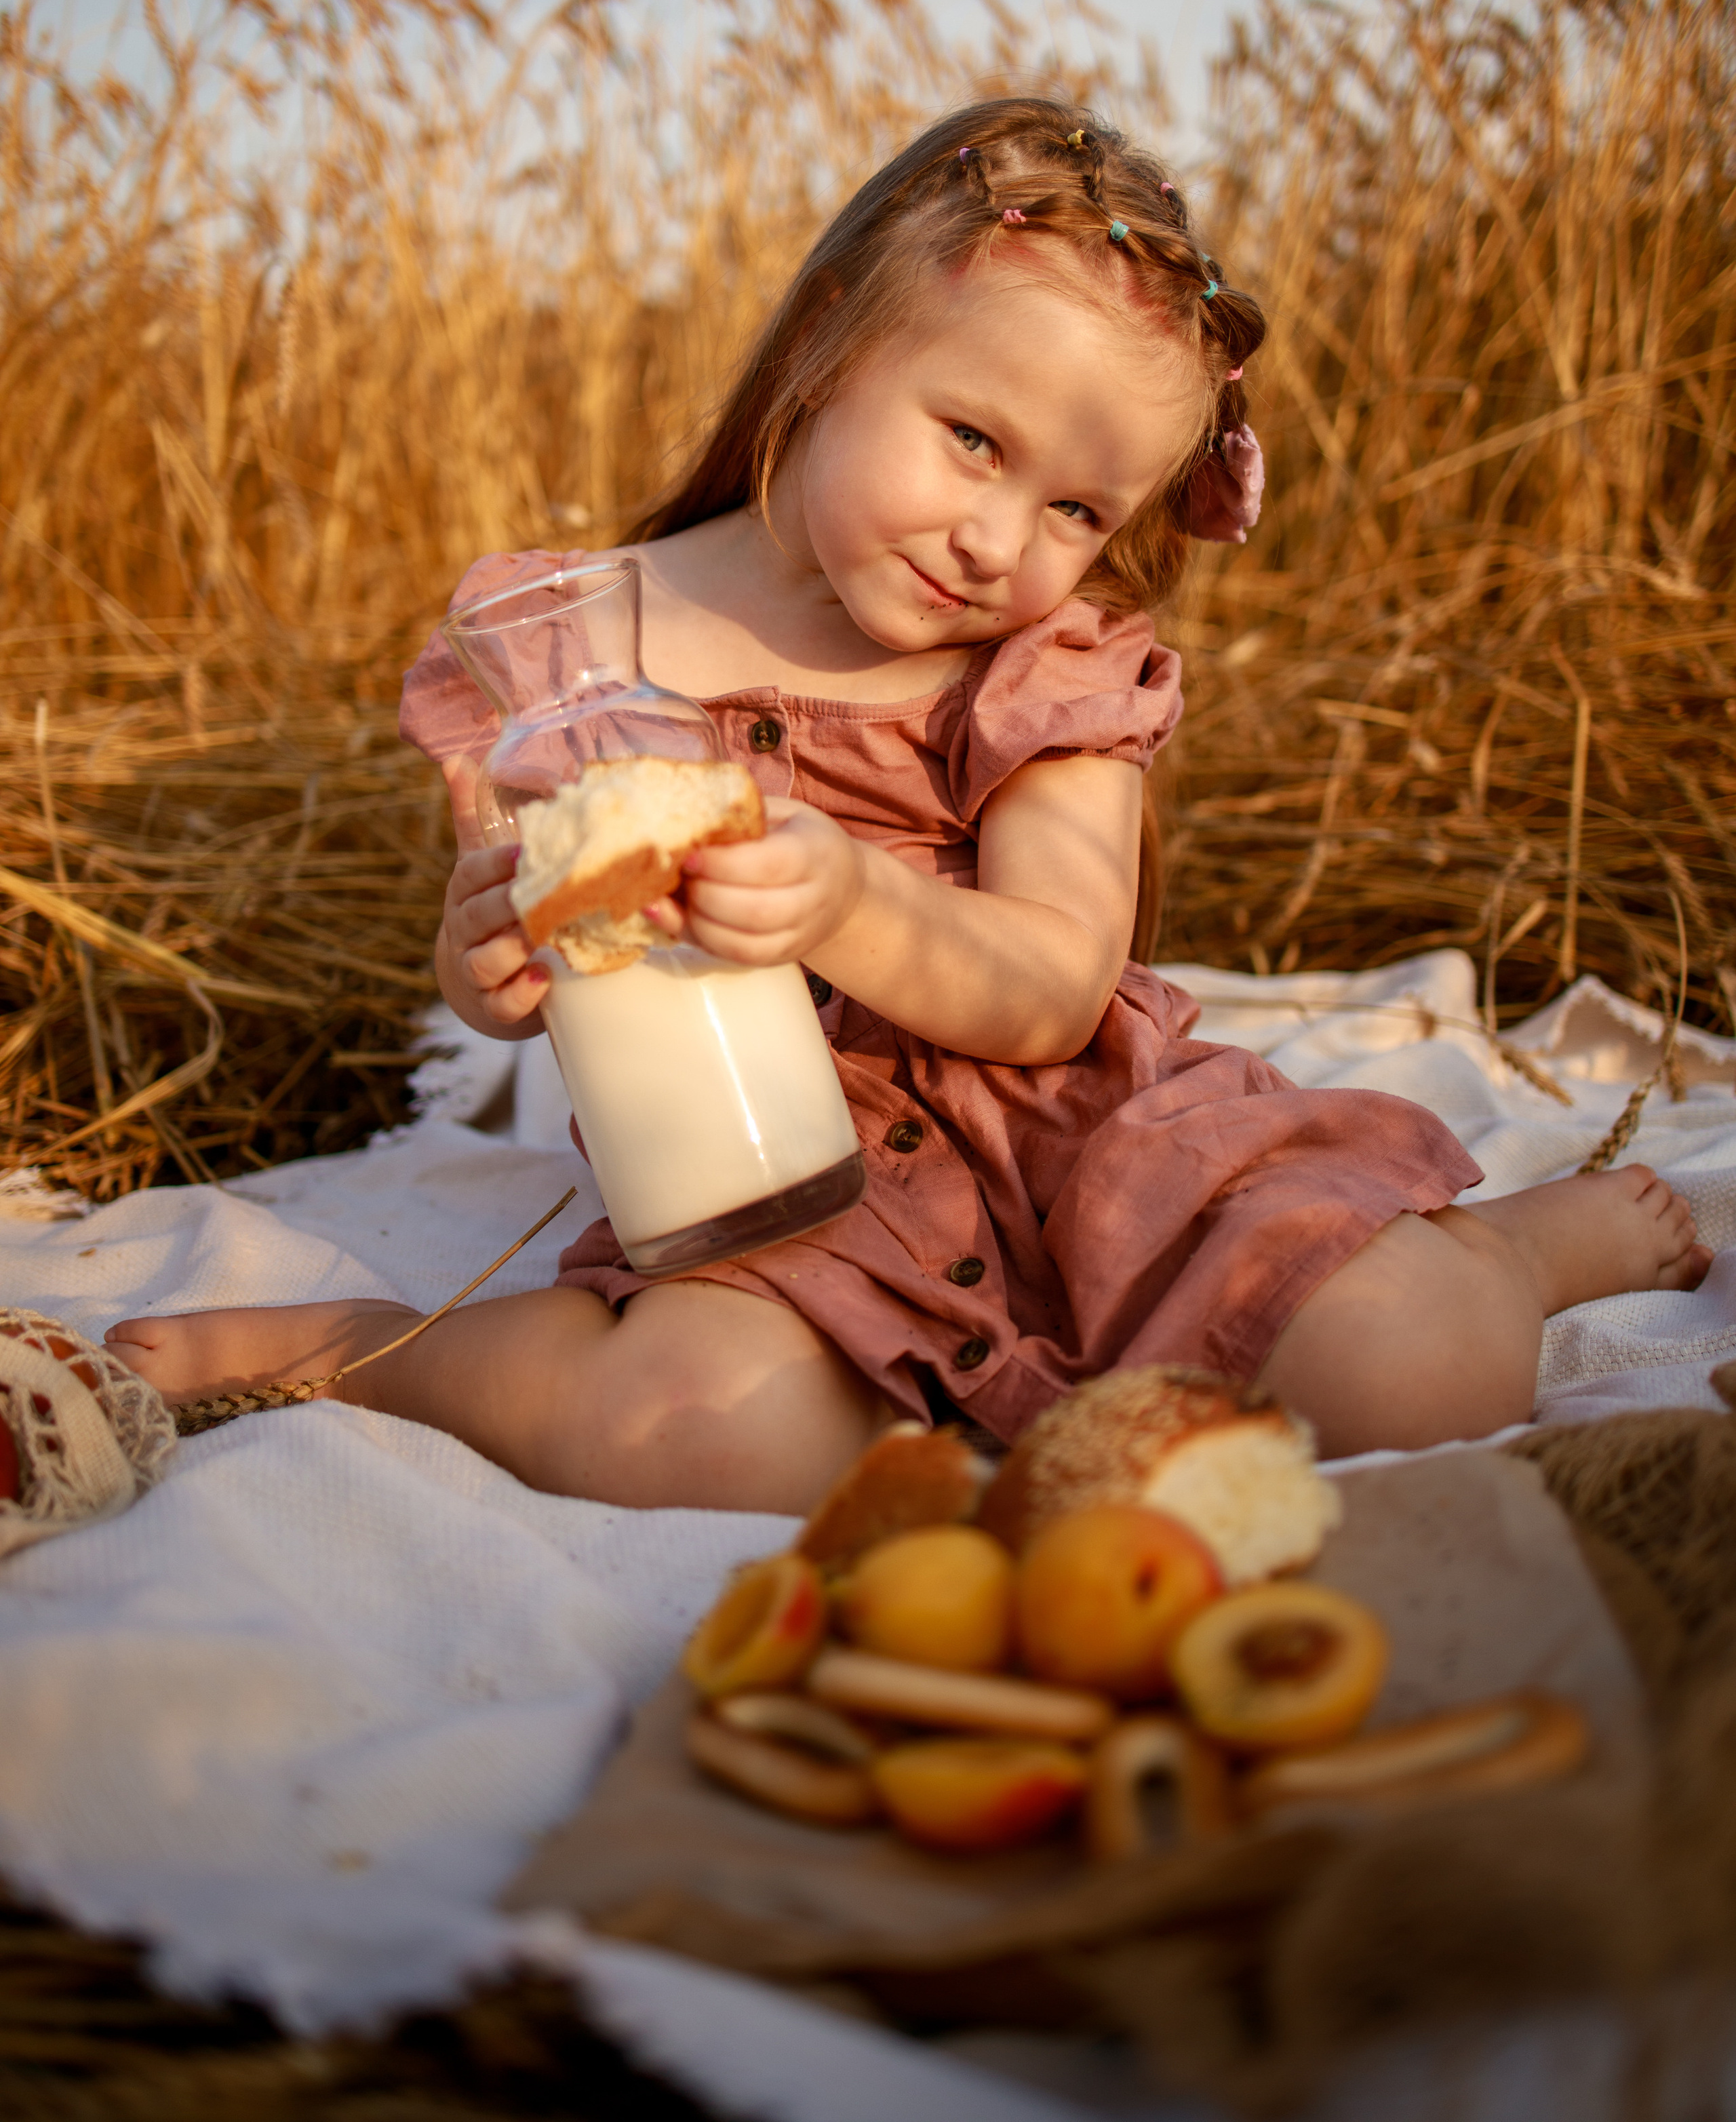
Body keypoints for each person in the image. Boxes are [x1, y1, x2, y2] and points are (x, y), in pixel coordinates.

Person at [110, 98, 1709, 1509]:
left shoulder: (1040, 671)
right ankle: (364, 1352)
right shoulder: (566, 641)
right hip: (763, 1183)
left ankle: (1506, 1248)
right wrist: (495, 967)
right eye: (969, 440)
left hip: (1087, 1154)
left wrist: (853, 904)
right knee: (695, 1438)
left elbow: (1051, 983)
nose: (996, 541)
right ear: (821, 350)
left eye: (1074, 507)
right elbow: (544, 966)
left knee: (1412, 1371)